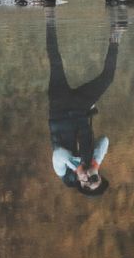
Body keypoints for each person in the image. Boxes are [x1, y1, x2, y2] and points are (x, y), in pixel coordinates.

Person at [46, 15, 124, 196]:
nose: (91, 178)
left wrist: (78, 169)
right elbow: (104, 140)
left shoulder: (65, 175)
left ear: (81, 185)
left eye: (88, 183)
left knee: (55, 61)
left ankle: (49, 20)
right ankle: (115, 38)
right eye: (96, 179)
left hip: (59, 109)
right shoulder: (93, 162)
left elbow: (58, 155)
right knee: (107, 78)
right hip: (80, 109)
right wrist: (95, 164)